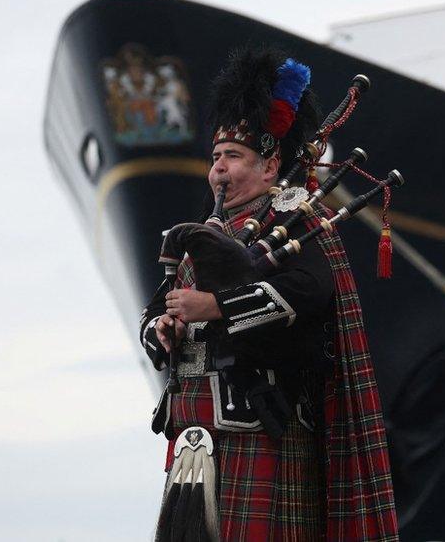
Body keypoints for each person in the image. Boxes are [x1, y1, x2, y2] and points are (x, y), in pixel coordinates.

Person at [139, 46, 398, 542]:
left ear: (268, 166)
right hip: (194, 439)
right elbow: (156, 309)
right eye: (215, 158)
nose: (219, 170)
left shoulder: (297, 220)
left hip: (262, 430)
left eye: (233, 157)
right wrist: (163, 330)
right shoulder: (201, 234)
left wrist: (214, 307)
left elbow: (309, 291)